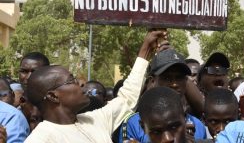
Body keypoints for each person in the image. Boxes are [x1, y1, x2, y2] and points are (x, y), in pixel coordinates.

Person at [24, 30, 165, 143]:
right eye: (71, 80)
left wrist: (146, 49)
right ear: (53, 96)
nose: (81, 83)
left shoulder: (93, 120)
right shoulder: (41, 138)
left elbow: (126, 98)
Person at [119, 48, 207, 142]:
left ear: (186, 81)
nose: (174, 84)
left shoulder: (198, 126)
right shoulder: (133, 124)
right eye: (166, 77)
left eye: (179, 77)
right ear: (152, 81)